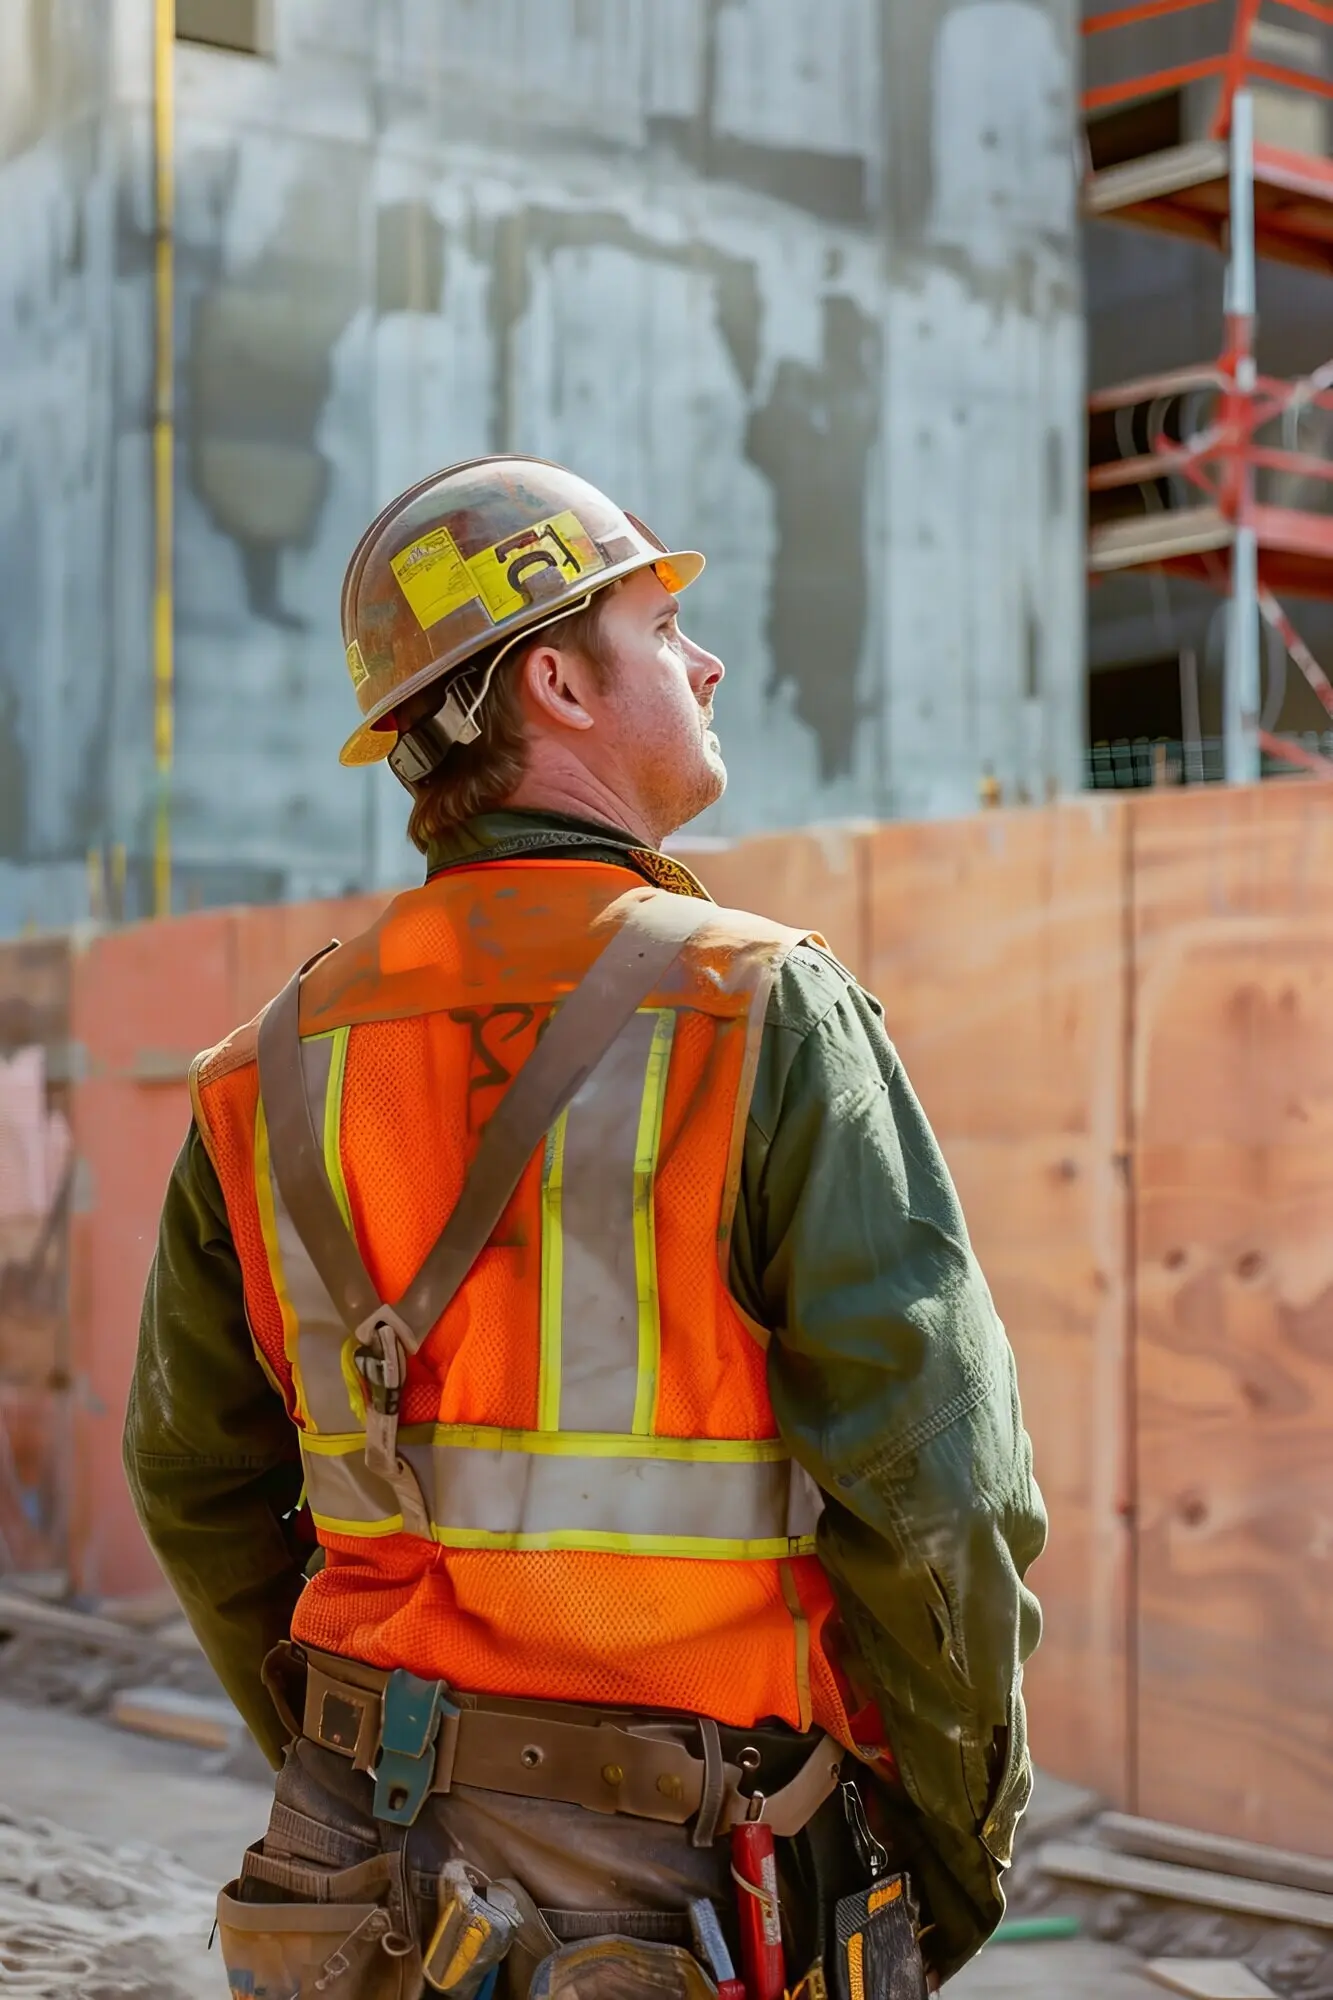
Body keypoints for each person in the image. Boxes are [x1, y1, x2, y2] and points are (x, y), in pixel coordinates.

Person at [124, 456, 1045, 1999]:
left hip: (338, 1871)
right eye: (661, 621)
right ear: (552, 677)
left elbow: (188, 1477)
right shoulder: (757, 1012)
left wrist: (339, 1754)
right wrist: (947, 1859)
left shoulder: (270, 1068)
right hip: (671, 1883)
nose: (708, 661)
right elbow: (939, 1488)